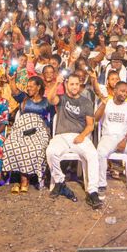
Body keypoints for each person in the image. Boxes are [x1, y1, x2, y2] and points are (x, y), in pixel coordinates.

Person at [46, 71, 102, 208]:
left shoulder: (86, 102)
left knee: (93, 154)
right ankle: (60, 182)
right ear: (66, 85)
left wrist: (82, 135)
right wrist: (57, 83)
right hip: (61, 136)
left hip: (79, 136)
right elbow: (49, 98)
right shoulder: (62, 99)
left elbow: (90, 125)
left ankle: (93, 191)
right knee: (51, 152)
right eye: (71, 84)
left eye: (77, 84)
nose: (74, 87)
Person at [95, 79, 127, 201]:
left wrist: (125, 140)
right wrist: (103, 104)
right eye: (122, 91)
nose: (124, 94)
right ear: (114, 91)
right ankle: (101, 184)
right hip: (108, 137)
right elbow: (96, 119)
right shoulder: (106, 103)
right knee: (101, 153)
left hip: (125, 137)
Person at [6, 77, 53, 193]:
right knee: (12, 144)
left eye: (31, 86)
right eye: (28, 86)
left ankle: (23, 180)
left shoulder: (46, 102)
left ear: (39, 87)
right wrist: (12, 80)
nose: (28, 88)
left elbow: (52, 118)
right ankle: (21, 178)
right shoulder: (24, 98)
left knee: (35, 147)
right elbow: (15, 91)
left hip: (39, 129)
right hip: (22, 128)